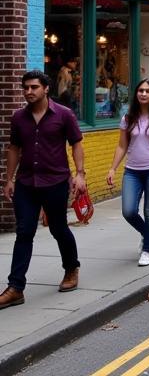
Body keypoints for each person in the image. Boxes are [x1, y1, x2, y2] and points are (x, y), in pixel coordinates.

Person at [0, 71, 85, 309]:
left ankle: (71, 268)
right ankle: (16, 288)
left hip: (55, 182)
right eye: (25, 87)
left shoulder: (64, 115)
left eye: (34, 87)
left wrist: (80, 174)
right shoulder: (18, 118)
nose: (29, 91)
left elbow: (76, 143)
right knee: (24, 232)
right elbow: (14, 148)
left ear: (46, 88)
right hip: (27, 183)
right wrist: (9, 179)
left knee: (59, 229)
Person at [106, 79, 149, 266]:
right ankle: (147, 233)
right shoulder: (128, 118)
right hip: (132, 171)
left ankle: (147, 250)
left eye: (148, 91)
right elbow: (122, 145)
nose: (143, 94)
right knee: (128, 211)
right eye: (141, 91)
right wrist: (113, 168)